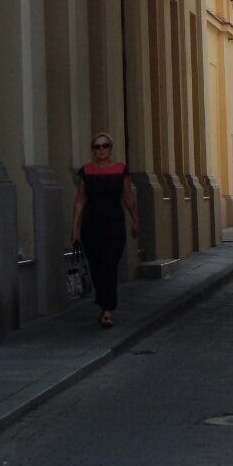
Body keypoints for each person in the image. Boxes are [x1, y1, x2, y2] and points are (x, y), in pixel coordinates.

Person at [72, 132, 139, 328]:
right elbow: (80, 201)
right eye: (97, 146)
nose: (101, 149)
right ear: (93, 150)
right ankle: (103, 304)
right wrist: (75, 229)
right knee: (96, 267)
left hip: (114, 226)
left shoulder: (120, 169)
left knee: (109, 265)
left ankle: (108, 309)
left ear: (111, 148)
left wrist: (136, 219)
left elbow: (128, 196)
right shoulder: (86, 171)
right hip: (91, 226)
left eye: (105, 145)